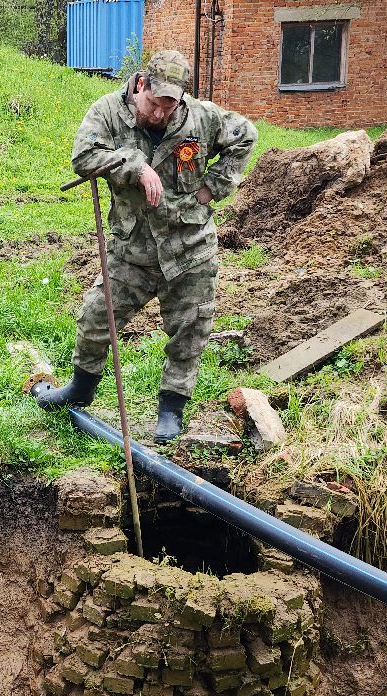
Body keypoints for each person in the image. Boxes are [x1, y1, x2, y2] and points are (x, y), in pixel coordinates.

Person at [38, 50, 256, 442]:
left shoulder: (201, 118)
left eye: (170, 106)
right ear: (141, 85)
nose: (160, 114)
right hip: (131, 249)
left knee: (189, 333)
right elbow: (84, 156)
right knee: (95, 318)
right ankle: (81, 389)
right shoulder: (107, 111)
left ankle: (171, 411)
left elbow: (246, 135)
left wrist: (212, 189)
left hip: (190, 248)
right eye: (154, 104)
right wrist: (134, 165)